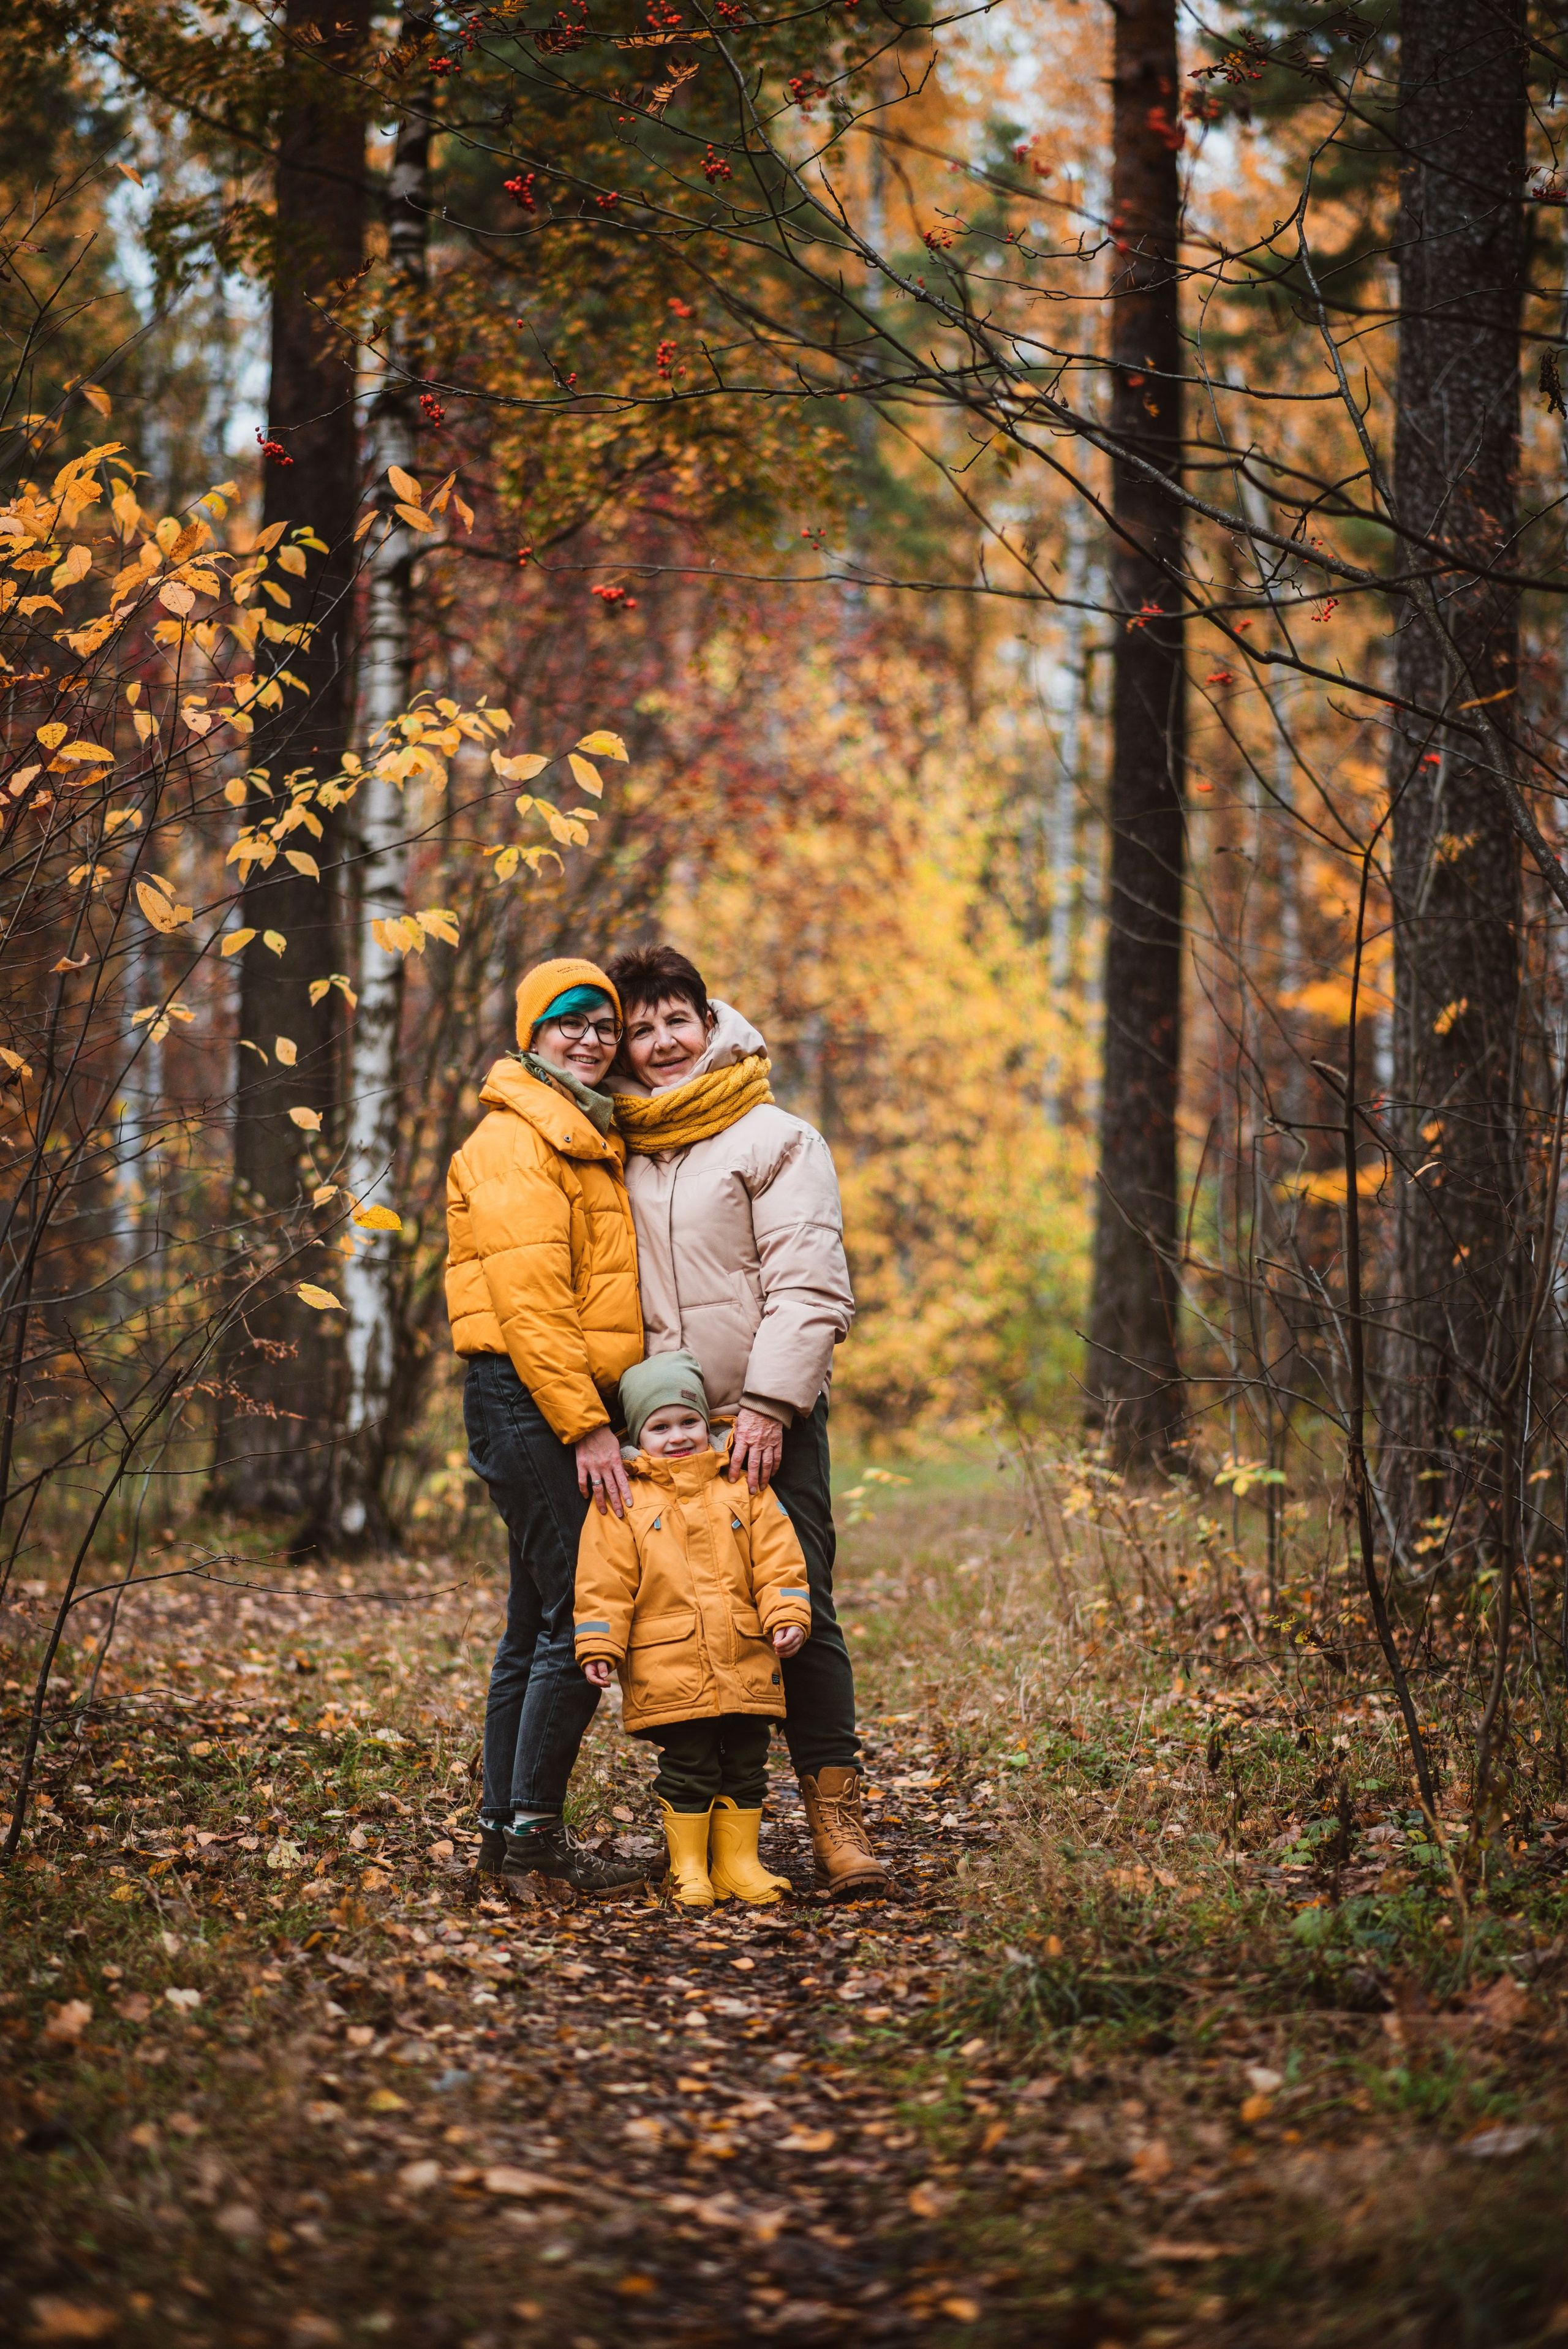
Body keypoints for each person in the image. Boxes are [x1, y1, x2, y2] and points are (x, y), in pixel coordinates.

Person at [605, 943, 891, 1896]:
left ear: (711, 1019)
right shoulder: (615, 1140)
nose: (659, 1042)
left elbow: (809, 1283)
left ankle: (835, 1819)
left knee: (798, 1603)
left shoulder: (777, 1137)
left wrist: (769, 1405)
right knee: (666, 1617)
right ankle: (706, 1827)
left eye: (674, 1018)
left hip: (764, 1416)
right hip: (659, 1433)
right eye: (639, 1028)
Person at [445, 956, 648, 1896]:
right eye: (569, 1022)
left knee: (535, 1622)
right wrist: (586, 1426)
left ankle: (502, 1834)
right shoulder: (517, 1140)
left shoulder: (578, 1130)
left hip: (545, 1397)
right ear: (533, 1032)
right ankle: (533, 1840)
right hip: (531, 1396)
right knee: (584, 1613)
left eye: (603, 1024)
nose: (592, 1038)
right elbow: (531, 1307)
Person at [575, 1351, 813, 1910]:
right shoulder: (623, 1500)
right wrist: (599, 1641)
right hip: (670, 1662)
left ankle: (738, 1864)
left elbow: (779, 1559)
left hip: (746, 1653)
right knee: (689, 1765)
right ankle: (688, 1868)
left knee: (747, 1761)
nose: (677, 1436)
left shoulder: (743, 1485)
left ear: (709, 1424)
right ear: (637, 1434)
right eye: (660, 1426)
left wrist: (787, 1614)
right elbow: (602, 1579)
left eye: (689, 1421)